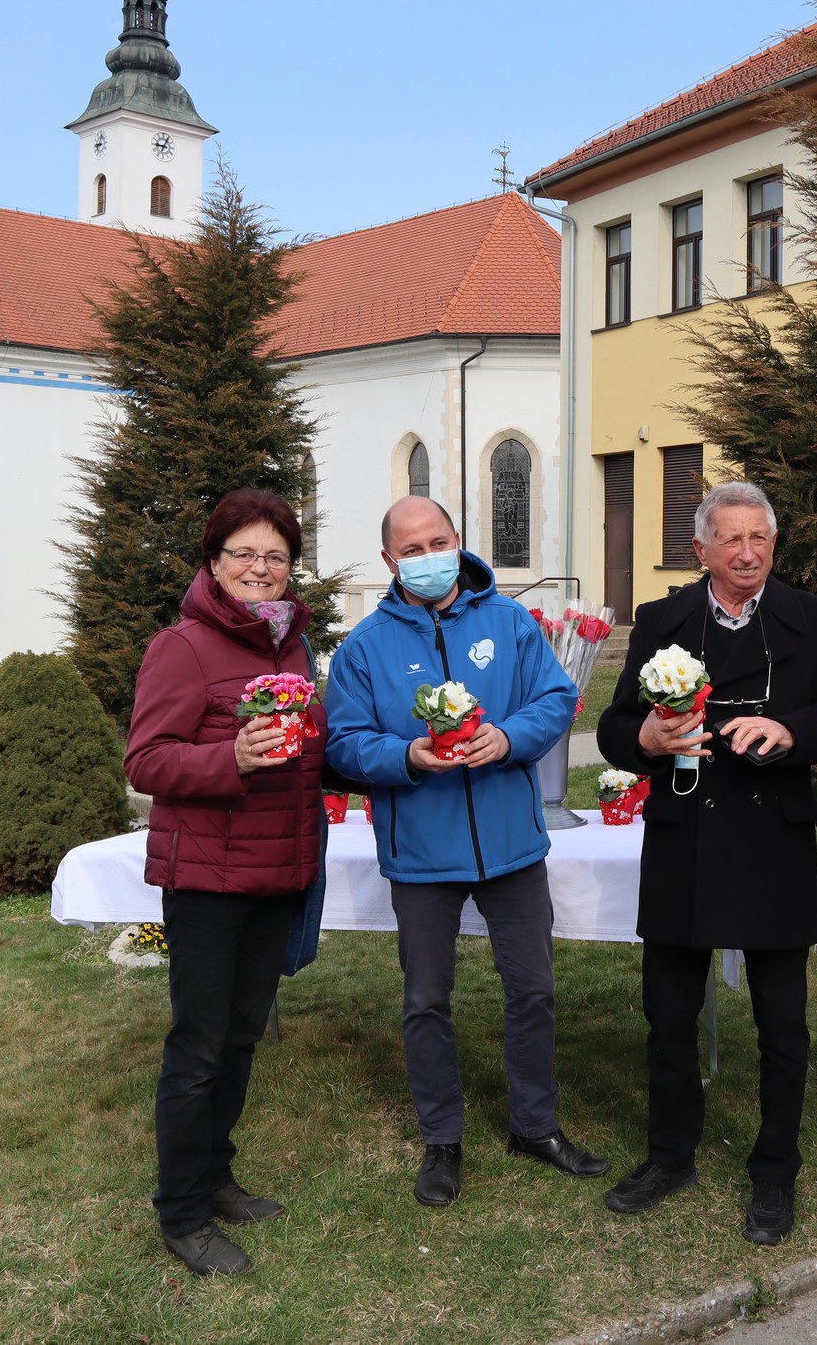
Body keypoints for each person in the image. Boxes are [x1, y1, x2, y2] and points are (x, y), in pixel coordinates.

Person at [596, 480, 817, 1245]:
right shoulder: (660, 620)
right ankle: (669, 1154)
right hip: (686, 837)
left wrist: (789, 731)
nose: (748, 553)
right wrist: (645, 741)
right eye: (732, 539)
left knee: (784, 1024)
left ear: (774, 545)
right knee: (669, 1017)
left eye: (761, 538)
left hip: (773, 838)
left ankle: (775, 1169)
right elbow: (617, 726)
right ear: (701, 550)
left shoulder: (811, 620)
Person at [324, 496, 609, 1206]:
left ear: (458, 540)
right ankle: (442, 1139)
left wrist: (509, 737)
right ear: (390, 561)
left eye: (438, 541)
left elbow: (555, 698)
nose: (427, 556)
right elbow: (344, 741)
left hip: (511, 846)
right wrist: (408, 754)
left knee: (533, 990)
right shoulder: (365, 647)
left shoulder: (509, 622)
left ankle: (534, 1124)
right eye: (411, 548)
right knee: (426, 999)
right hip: (420, 850)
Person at [125, 488, 331, 1278]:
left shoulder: (291, 647)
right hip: (208, 877)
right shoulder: (182, 646)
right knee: (199, 1044)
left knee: (242, 1036)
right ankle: (180, 1213)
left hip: (276, 868)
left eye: (275, 555)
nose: (260, 567)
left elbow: (304, 748)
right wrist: (228, 760)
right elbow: (145, 759)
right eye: (244, 552)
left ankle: (216, 1177)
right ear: (214, 561)